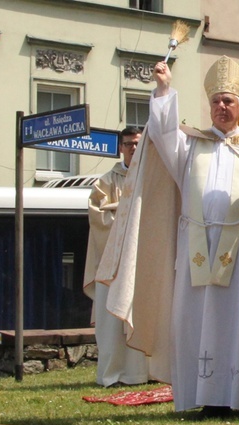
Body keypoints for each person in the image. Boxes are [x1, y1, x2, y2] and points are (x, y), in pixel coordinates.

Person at [96, 56, 239, 417]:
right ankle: (208, 397)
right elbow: (163, 134)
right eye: (216, 101)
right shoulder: (190, 147)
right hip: (195, 251)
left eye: (228, 101)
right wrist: (164, 89)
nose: (221, 107)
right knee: (195, 322)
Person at [83, 126, 149, 387]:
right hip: (112, 266)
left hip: (142, 261)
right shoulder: (106, 182)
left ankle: (142, 373)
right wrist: (128, 214)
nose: (133, 148)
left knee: (143, 317)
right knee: (112, 324)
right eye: (129, 144)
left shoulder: (152, 177)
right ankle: (112, 373)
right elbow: (99, 217)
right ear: (120, 147)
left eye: (138, 144)